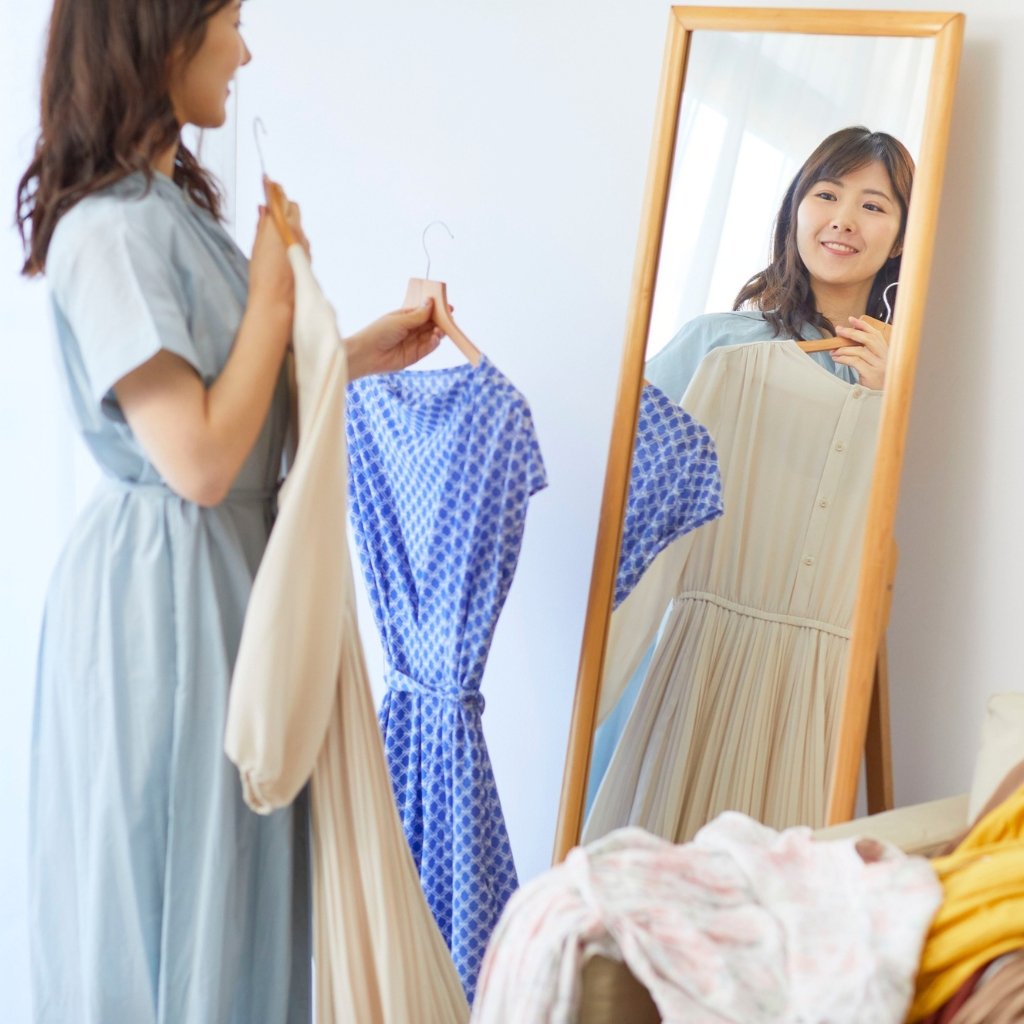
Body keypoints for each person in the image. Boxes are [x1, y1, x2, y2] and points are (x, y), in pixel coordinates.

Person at [16, 1, 444, 1020]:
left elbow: (238, 403)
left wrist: (356, 352)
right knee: (180, 896)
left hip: (233, 575)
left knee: (237, 895)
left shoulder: (173, 211)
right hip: (166, 597)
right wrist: (270, 301)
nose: (243, 52)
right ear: (162, 31)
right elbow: (201, 458)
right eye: (231, 22)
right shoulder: (109, 231)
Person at [647, 125, 914, 400]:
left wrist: (884, 398)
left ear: (901, 240)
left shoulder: (911, 378)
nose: (842, 221)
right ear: (794, 214)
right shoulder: (715, 341)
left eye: (872, 206)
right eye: (827, 196)